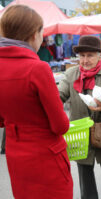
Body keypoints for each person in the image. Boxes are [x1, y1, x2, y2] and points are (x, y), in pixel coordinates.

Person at [0, 5, 73, 199]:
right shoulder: (37, 69)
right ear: (34, 34)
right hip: (46, 158)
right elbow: (60, 125)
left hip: (16, 156)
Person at [58, 35, 101, 199]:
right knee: (85, 182)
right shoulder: (71, 74)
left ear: (100, 56)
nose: (85, 60)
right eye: (82, 56)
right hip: (80, 135)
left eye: (90, 55)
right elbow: (59, 96)